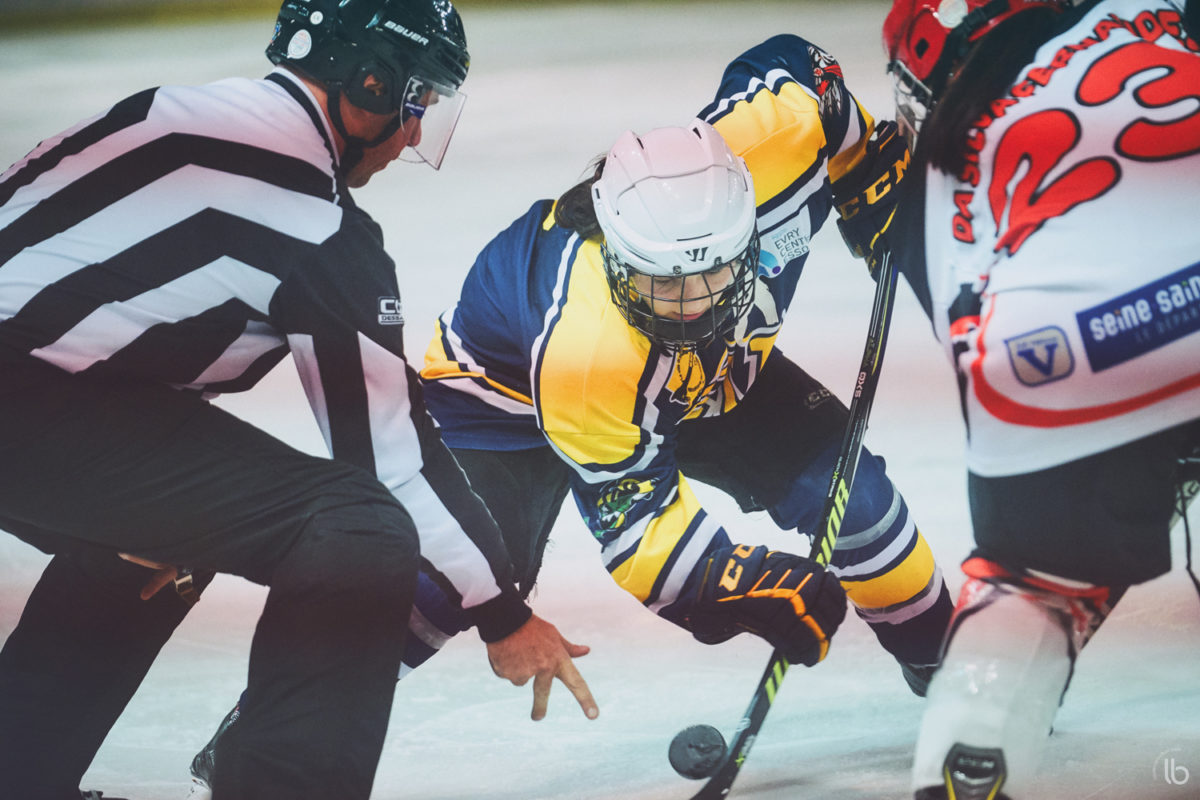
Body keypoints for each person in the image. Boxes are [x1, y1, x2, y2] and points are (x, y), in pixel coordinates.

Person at [184, 34, 957, 798]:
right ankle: (269, 733)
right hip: (505, 398)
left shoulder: (779, 133)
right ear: (619, 256)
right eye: (662, 286)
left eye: (710, 278)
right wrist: (734, 584)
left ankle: (956, 676)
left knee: (855, 501)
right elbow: (639, 529)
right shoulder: (588, 348)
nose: (688, 309)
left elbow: (803, 70)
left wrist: (864, 168)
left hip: (711, 376)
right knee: (451, 576)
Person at [0, 1, 599, 798]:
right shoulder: (317, 228)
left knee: (156, 533)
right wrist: (502, 613)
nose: (416, 133)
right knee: (354, 527)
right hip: (27, 405)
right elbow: (393, 465)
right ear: (371, 85)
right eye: (418, 103)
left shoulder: (159, 111)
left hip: (41, 399)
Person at [880, 0, 1200, 797]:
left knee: (1033, 588)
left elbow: (974, 337)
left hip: (1068, 343)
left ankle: (975, 741)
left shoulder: (945, 159)